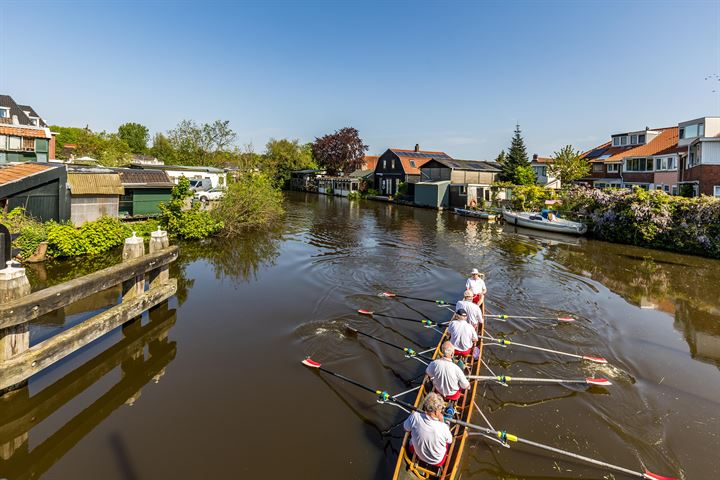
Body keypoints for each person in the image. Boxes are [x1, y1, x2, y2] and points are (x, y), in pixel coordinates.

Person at [403, 392, 453, 467]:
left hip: (416, 452)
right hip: (437, 461)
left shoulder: (415, 416)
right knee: (446, 437)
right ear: (436, 412)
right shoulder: (443, 427)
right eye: (441, 409)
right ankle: (449, 417)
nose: (441, 411)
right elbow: (450, 441)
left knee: (412, 435)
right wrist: (443, 422)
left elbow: (405, 428)